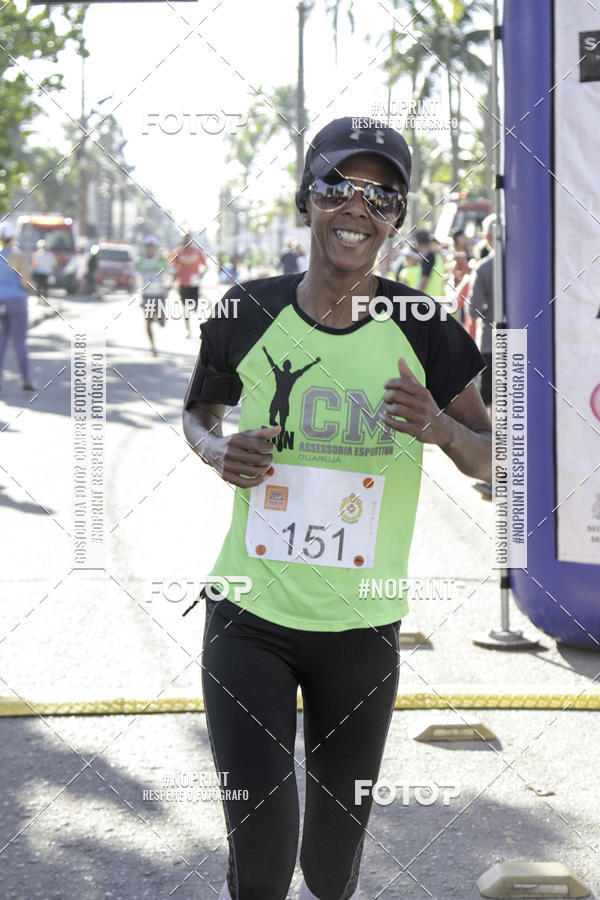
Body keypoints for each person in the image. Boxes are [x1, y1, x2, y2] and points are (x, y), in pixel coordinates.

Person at [182, 116, 491, 900]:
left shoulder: (426, 328)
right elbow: (198, 415)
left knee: (328, 866)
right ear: (306, 200)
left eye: (381, 195)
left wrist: (439, 427)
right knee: (261, 858)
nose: (358, 208)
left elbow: (506, 458)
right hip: (248, 618)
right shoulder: (243, 311)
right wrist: (222, 453)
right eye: (338, 188)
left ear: (396, 217)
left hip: (361, 633)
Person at [466, 213, 495, 500]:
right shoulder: (531, 264)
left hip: (490, 343)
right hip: (525, 344)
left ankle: (496, 476)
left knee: (491, 409)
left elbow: (473, 310)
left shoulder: (485, 268)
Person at [0, 223, 35, 391]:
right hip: (16, 301)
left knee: (1, 340)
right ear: (13, 237)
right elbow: (25, 282)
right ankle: (26, 380)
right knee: (19, 342)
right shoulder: (18, 257)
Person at [136, 235, 170, 356]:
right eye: (148, 247)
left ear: (156, 248)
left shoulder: (161, 260)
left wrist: (167, 288)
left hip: (159, 295)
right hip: (147, 295)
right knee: (148, 322)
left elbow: (170, 273)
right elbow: (134, 274)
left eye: (153, 247)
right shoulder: (140, 261)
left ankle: (156, 317)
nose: (150, 249)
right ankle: (153, 346)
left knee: (162, 323)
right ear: (145, 248)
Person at [169, 233, 207, 338]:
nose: (187, 241)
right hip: (183, 284)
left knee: (194, 306)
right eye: (185, 239)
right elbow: (171, 266)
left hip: (194, 283)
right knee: (185, 307)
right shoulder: (177, 252)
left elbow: (205, 265)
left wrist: (202, 274)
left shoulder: (197, 252)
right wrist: (172, 278)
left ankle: (197, 321)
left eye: (189, 239)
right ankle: (188, 330)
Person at [415, 229, 445, 297]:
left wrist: (416, 298)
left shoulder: (429, 257)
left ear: (418, 243)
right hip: (434, 300)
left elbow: (424, 281)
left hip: (426, 301)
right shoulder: (437, 256)